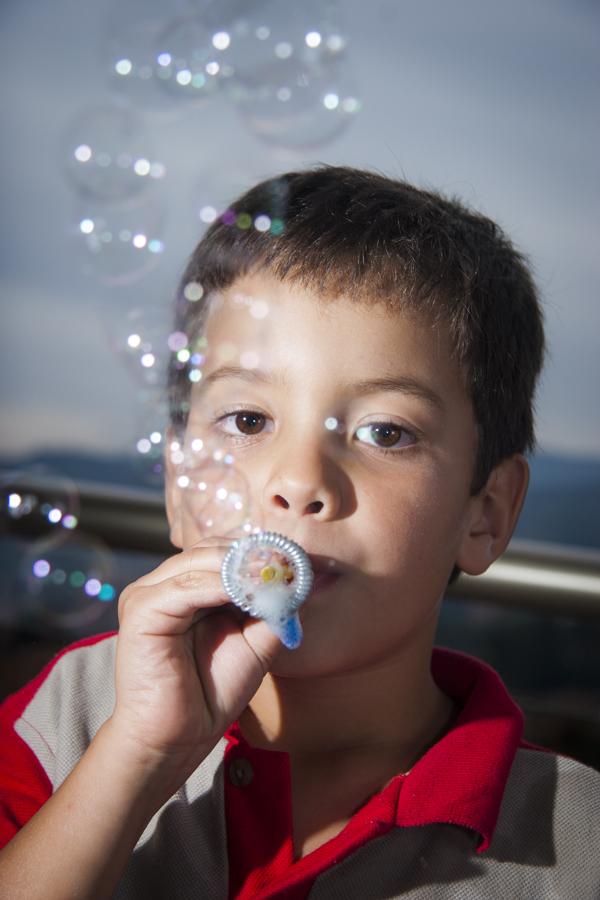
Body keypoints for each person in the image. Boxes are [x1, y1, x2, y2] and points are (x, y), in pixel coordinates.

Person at [0, 165, 598, 899]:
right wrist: (136, 756)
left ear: (487, 513)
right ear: (178, 485)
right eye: (248, 420)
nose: (301, 481)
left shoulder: (575, 847)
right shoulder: (70, 717)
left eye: (385, 431)